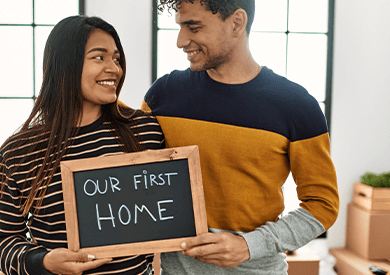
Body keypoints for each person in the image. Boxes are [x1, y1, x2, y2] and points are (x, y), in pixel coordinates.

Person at [142, 0, 339, 274]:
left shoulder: (296, 106)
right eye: (180, 27)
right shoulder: (162, 95)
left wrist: (248, 245)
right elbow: (135, 183)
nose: (180, 41)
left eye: (193, 27)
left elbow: (323, 205)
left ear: (236, 22)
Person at [0, 15, 165, 275]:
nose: (114, 68)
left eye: (116, 58)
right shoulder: (18, 152)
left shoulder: (145, 131)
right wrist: (43, 261)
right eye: (99, 57)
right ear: (64, 65)